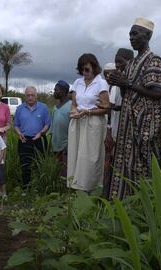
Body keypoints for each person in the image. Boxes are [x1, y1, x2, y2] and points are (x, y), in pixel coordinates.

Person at [107, 18, 161, 199]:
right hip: (127, 124)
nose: (131, 37)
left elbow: (157, 92)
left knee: (142, 164)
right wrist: (119, 83)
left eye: (135, 33)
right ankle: (123, 203)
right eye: (130, 34)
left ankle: (143, 206)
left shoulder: (154, 60)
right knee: (125, 163)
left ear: (147, 35)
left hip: (144, 124)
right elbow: (127, 95)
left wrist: (128, 82)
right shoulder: (131, 63)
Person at [67, 53, 110, 192]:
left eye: (87, 69)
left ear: (94, 67)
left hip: (93, 122)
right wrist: (74, 111)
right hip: (78, 121)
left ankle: (91, 187)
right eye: (82, 70)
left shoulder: (101, 82)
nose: (84, 73)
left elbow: (106, 107)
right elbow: (74, 104)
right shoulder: (77, 82)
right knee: (76, 153)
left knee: (90, 156)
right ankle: (76, 185)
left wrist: (88, 112)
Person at [101, 49, 134, 195]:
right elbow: (111, 108)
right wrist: (109, 131)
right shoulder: (115, 85)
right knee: (111, 162)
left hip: (126, 132)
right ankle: (106, 194)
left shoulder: (128, 82)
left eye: (120, 62)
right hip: (115, 131)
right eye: (116, 62)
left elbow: (112, 107)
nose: (118, 66)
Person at [14, 86, 50, 189]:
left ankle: (39, 188)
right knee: (25, 165)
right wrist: (19, 133)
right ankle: (26, 188)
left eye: (32, 95)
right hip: (24, 140)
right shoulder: (20, 108)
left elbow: (47, 124)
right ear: (25, 96)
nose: (30, 97)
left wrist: (41, 133)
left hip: (39, 139)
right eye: (28, 95)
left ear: (36, 95)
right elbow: (16, 125)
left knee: (39, 164)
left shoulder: (43, 107)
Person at [51, 80, 71, 178]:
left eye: (56, 90)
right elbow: (53, 127)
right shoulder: (55, 107)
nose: (54, 92)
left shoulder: (72, 106)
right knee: (57, 170)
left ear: (64, 91)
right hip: (55, 145)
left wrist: (69, 144)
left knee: (66, 171)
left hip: (66, 146)